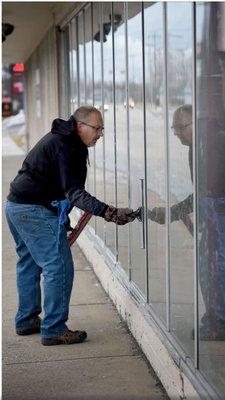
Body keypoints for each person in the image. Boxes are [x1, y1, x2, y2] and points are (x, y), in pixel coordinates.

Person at [5, 106, 135, 346]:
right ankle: (53, 328)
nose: (100, 134)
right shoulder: (66, 146)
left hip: (16, 206)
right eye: (97, 128)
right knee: (59, 267)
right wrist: (109, 211)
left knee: (30, 263)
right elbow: (74, 192)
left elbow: (62, 187)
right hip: (33, 210)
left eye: (102, 129)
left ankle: (26, 320)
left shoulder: (64, 140)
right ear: (80, 126)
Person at [151, 104, 225, 340]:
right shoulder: (197, 143)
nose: (178, 134)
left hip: (218, 212)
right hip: (213, 211)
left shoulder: (211, 142)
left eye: (180, 128)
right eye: (175, 130)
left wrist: (177, 211)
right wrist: (176, 212)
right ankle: (216, 320)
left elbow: (211, 192)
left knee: (215, 268)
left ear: (193, 124)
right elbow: (204, 192)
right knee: (209, 267)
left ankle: (219, 323)